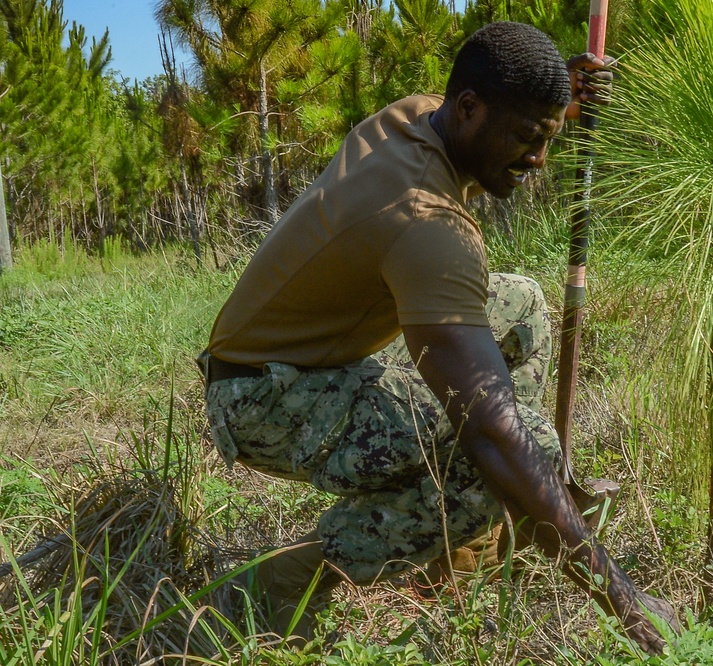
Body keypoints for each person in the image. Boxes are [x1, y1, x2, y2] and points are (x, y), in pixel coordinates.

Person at [199, 21, 679, 653]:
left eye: (549, 138)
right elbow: (494, 433)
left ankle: (465, 548)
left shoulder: (424, 116)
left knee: (523, 304)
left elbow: (498, 101)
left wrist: (558, 93)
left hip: (294, 358)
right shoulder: (428, 226)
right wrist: (623, 598)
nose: (538, 161)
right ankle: (282, 581)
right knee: (504, 458)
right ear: (471, 110)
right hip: (264, 399)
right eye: (528, 140)